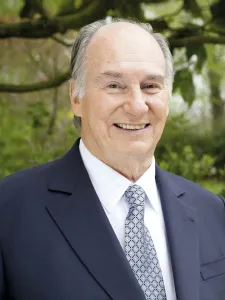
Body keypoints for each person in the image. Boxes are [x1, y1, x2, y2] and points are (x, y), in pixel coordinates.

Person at [0, 18, 225, 300]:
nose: (136, 106)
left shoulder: (213, 212)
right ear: (76, 97)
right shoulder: (9, 212)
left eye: (150, 86)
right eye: (115, 85)